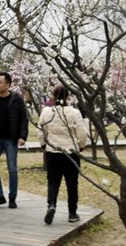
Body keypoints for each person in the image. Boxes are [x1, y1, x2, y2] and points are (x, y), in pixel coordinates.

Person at [38, 86, 88, 224]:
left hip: (53, 152)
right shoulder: (74, 113)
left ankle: (51, 204)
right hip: (71, 152)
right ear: (67, 97)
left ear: (53, 96)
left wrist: (44, 144)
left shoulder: (47, 112)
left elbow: (41, 130)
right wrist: (81, 146)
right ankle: (72, 213)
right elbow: (82, 132)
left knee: (53, 182)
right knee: (72, 184)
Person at [0, 72, 28, 209]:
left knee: (12, 169)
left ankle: (12, 197)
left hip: (10, 139)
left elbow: (24, 118)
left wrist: (22, 136)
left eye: (0, 82)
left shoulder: (16, 99)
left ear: (8, 84)